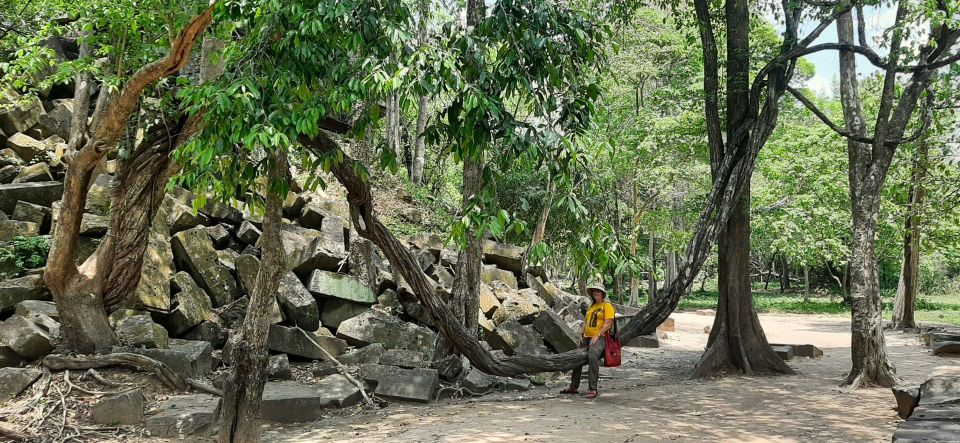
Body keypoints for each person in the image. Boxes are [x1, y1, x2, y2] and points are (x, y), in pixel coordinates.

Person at [560, 282, 615, 398]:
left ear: (602, 293)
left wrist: (597, 335)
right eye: (594, 291)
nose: (596, 292)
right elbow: (585, 321)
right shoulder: (591, 306)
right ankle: (573, 387)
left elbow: (608, 323)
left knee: (592, 355)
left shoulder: (607, 306)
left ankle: (593, 389)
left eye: (598, 291)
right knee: (576, 356)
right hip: (586, 337)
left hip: (601, 337)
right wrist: (581, 334)